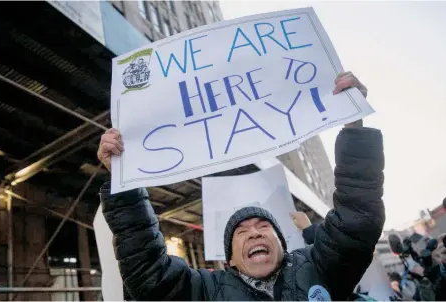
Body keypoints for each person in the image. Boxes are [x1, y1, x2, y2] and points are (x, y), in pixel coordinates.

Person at [97, 71, 386, 300]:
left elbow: (356, 220)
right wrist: (125, 180)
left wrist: (353, 127)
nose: (254, 234)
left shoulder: (319, 266)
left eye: (263, 226)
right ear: (231, 260)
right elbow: (150, 276)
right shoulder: (208, 292)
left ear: (282, 245)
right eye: (241, 232)